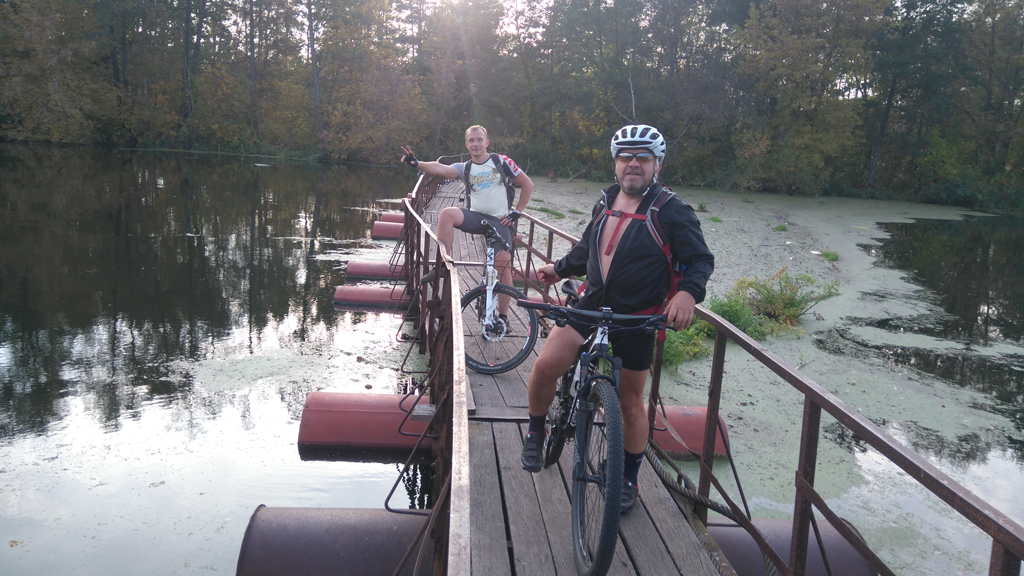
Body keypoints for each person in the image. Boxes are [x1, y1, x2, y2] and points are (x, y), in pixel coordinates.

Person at [520, 124, 714, 514]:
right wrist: (558, 269)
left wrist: (688, 294)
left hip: (636, 318)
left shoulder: (672, 211)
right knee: (545, 367)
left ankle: (628, 478)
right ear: (616, 163)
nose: (633, 164)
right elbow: (587, 249)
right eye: (626, 157)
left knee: (630, 404)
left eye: (643, 157)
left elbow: (700, 260)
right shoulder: (606, 200)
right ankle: (536, 431)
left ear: (657, 164)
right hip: (590, 305)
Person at [400, 125, 534, 318]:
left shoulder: (501, 161)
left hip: (500, 221)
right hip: (477, 218)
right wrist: (417, 163)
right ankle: (443, 265)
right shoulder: (465, 168)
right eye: (472, 140)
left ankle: (503, 317)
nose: (476, 144)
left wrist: (517, 212)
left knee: (504, 268)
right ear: (466, 144)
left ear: (487, 142)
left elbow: (527, 183)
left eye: (479, 140)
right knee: (447, 214)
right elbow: (440, 168)